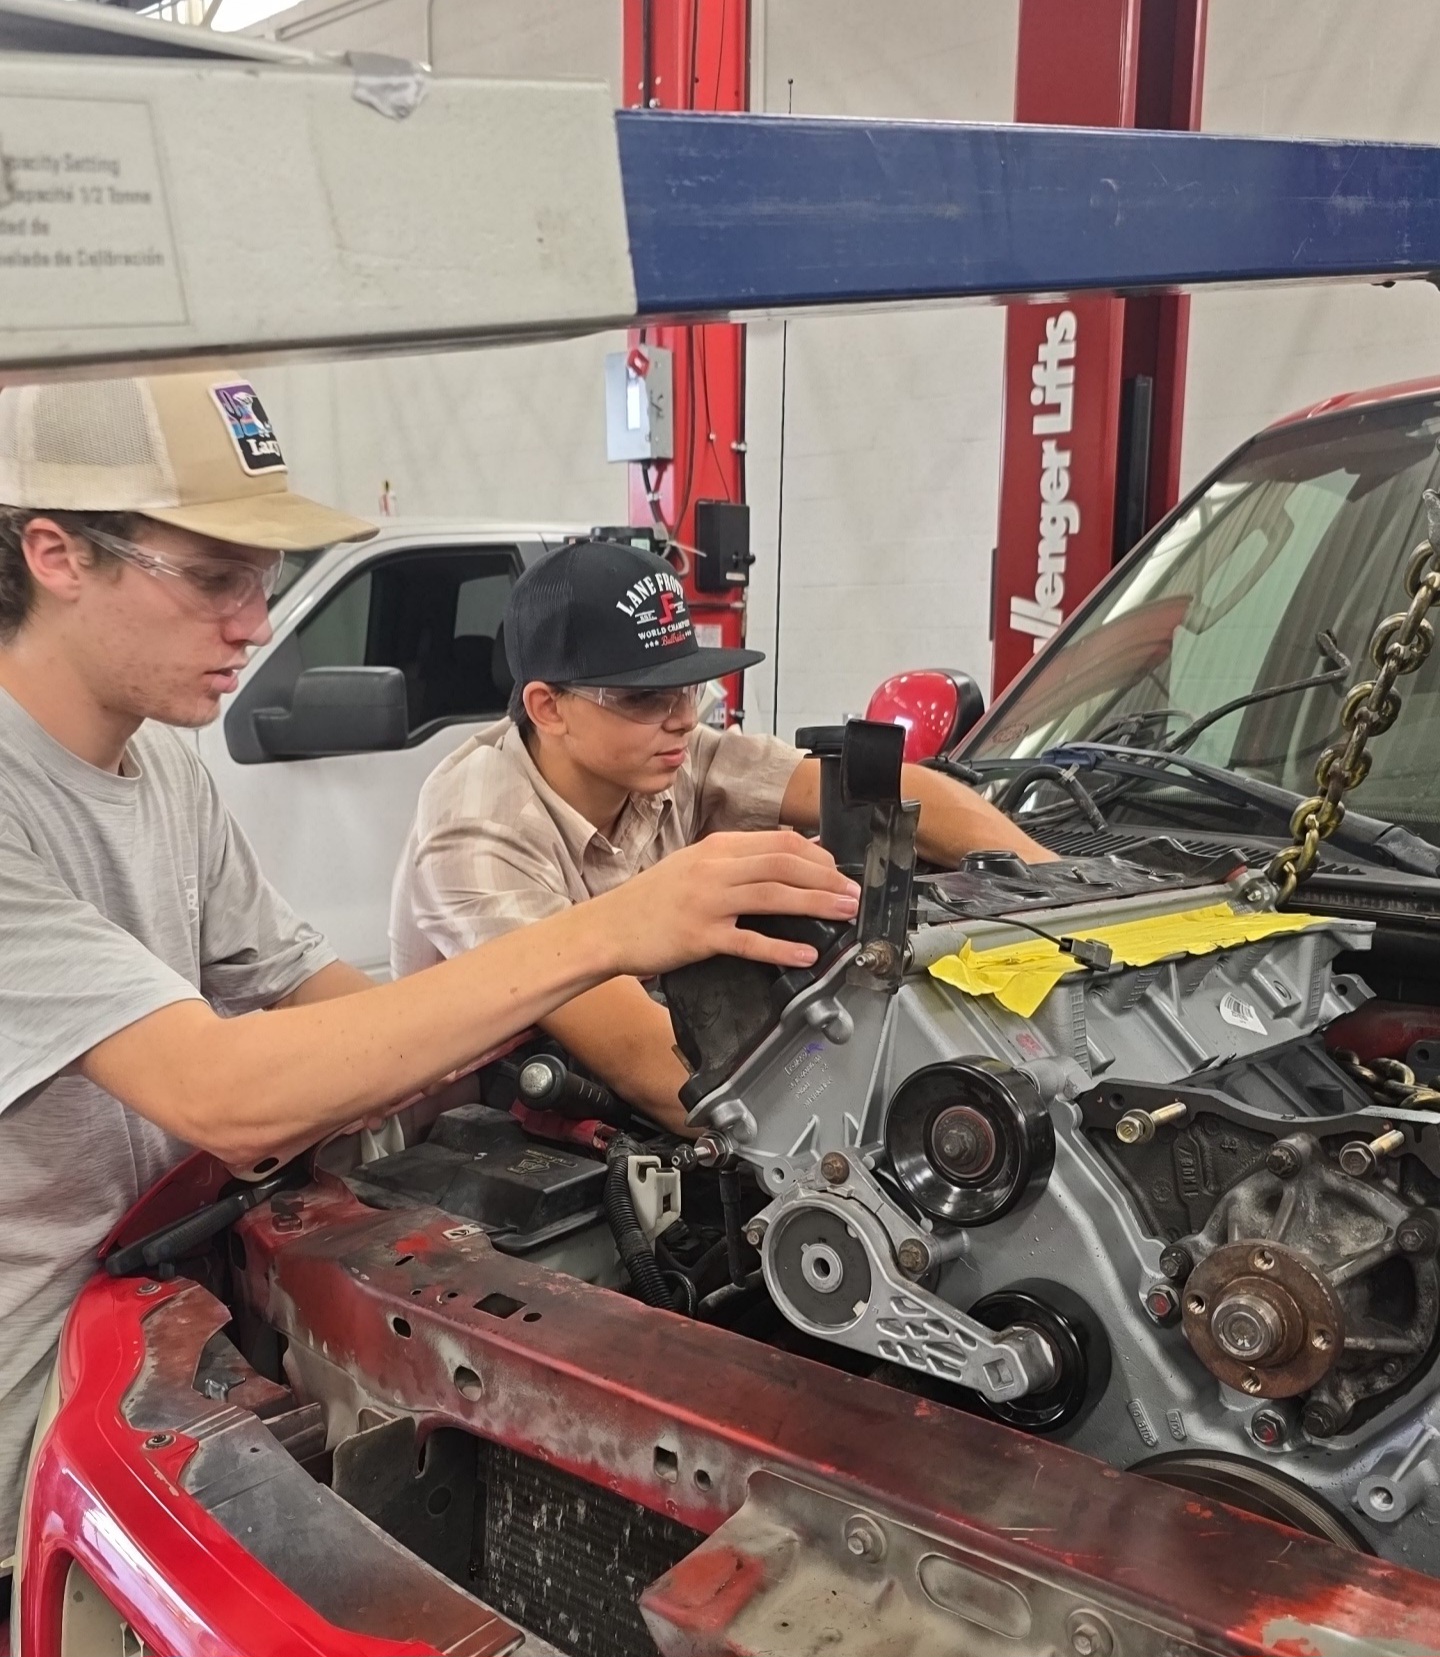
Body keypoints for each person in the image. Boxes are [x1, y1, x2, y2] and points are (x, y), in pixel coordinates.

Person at [0, 373, 859, 1592]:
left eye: (264, 578)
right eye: (217, 577)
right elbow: (220, 1091)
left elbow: (315, 993)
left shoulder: (161, 778)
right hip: (22, 1426)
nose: (254, 621)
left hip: (148, 1351)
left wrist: (539, 1053)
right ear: (55, 554)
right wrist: (597, 936)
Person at [390, 539, 1053, 1132]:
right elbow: (641, 1057)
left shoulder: (668, 753)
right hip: (489, 1156)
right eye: (644, 698)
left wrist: (1053, 885)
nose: (682, 718)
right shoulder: (475, 829)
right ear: (547, 707)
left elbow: (891, 790)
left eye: (690, 688)